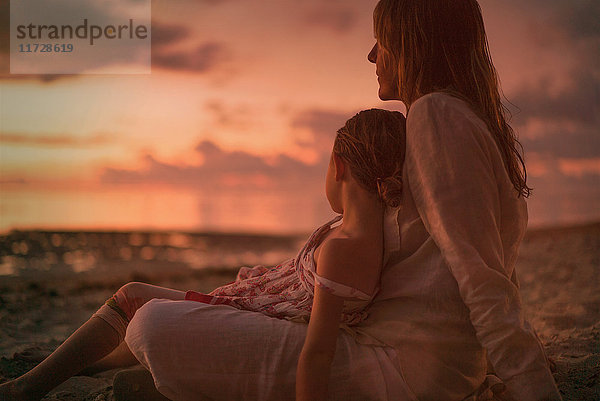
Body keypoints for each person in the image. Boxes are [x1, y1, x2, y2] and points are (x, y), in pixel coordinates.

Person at [0, 109, 410, 401]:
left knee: (132, 295)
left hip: (256, 316)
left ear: (337, 166)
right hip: (258, 304)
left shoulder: (345, 247)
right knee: (137, 296)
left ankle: (29, 387)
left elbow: (317, 352)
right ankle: (80, 365)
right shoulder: (359, 234)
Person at [359, 0, 563, 400]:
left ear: (412, 44)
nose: (371, 54)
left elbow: (483, 281)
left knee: (195, 331)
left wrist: (537, 390)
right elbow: (494, 266)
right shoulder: (461, 118)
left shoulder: (435, 116)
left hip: (398, 366)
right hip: (415, 360)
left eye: (381, 40)